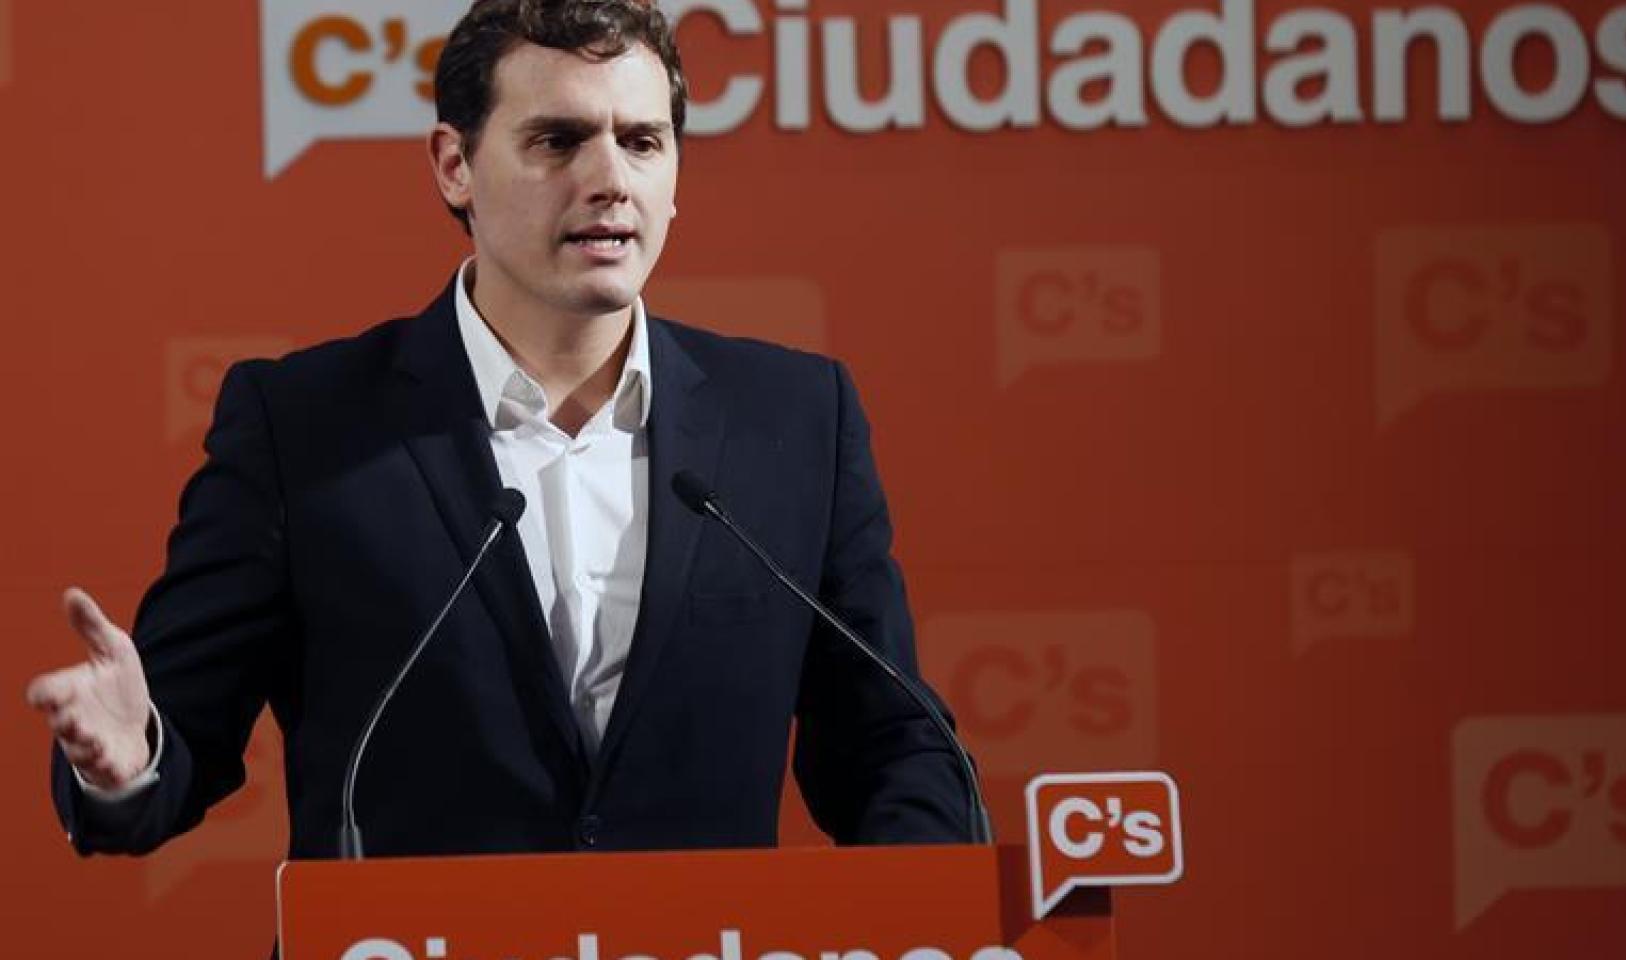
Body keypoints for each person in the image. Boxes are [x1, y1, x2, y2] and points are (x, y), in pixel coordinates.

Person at [25, 0, 970, 859]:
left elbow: (894, 745)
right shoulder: (303, 427)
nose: (610, 180)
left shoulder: (794, 419)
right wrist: (130, 757)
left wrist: (930, 916)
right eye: (558, 140)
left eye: (642, 141)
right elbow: (176, 744)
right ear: (455, 166)